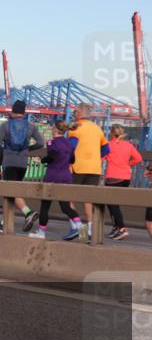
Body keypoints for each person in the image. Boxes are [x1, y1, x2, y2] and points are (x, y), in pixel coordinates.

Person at [0, 100, 43, 231]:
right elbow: (41, 143)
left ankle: (28, 213)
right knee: (12, 193)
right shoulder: (31, 126)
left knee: (10, 192)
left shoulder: (5, 125)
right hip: (22, 163)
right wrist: (27, 149)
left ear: (12, 111)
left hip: (9, 162)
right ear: (24, 112)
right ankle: (3, 224)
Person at [67, 103, 110, 240]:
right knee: (88, 200)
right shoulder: (97, 128)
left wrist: (67, 161)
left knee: (67, 198)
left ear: (79, 113)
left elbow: (71, 147)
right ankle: (90, 231)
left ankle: (76, 227)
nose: (74, 115)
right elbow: (106, 149)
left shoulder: (75, 127)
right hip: (95, 169)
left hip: (77, 167)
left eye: (74, 113)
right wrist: (96, 158)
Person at [36, 121, 83, 241]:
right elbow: (72, 160)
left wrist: (41, 160)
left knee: (45, 206)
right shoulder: (69, 143)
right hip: (66, 177)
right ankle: (80, 227)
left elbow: (52, 157)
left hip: (52, 176)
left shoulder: (52, 142)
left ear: (55, 129)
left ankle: (41, 232)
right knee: (65, 207)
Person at [103, 124, 143, 240]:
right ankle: (116, 228)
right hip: (126, 178)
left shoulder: (109, 145)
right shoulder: (128, 145)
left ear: (111, 133)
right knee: (114, 204)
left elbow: (100, 158)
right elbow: (139, 159)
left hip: (113, 178)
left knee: (112, 205)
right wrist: (128, 164)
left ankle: (122, 228)